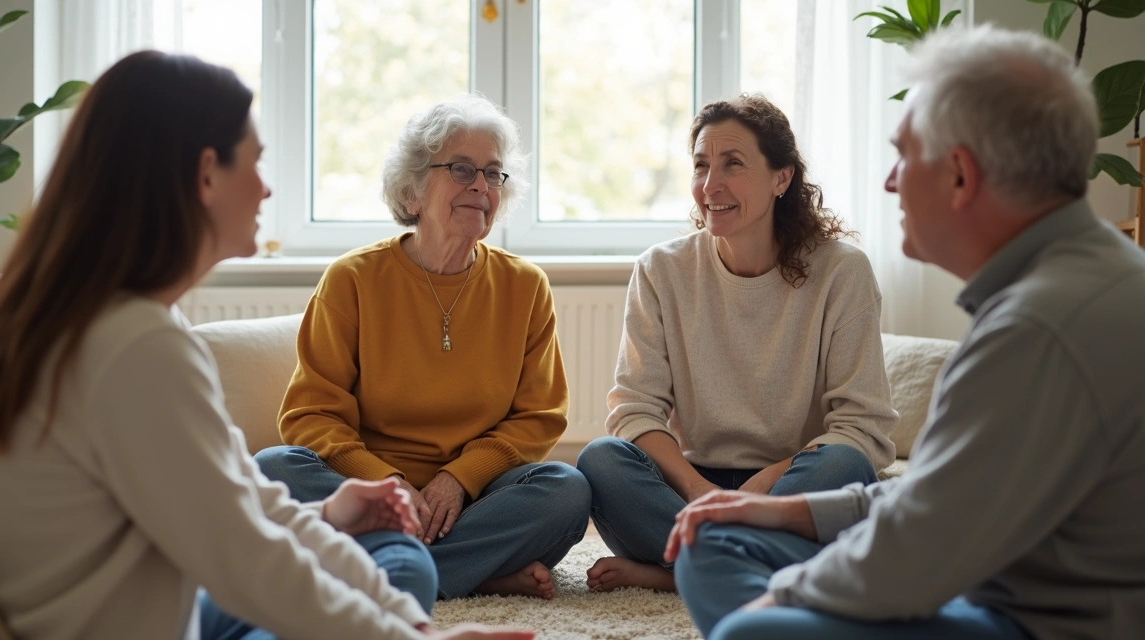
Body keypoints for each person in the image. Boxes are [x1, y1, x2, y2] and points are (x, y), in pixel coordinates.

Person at [0, 51, 531, 640]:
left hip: (133, 596)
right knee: (371, 583)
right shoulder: (133, 347)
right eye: (256, 161)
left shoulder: (95, 318)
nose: (267, 190)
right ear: (206, 174)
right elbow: (246, 559)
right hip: (107, 617)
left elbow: (231, 498)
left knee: (397, 570)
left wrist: (328, 517)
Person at [669, 25, 1145, 640]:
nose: (891, 181)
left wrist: (770, 608)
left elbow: (917, 555)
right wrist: (787, 510)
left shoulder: (1038, 328)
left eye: (903, 155)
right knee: (717, 537)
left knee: (749, 633)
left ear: (959, 175)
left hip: (1032, 620)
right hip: (988, 577)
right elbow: (939, 495)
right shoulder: (1074, 277)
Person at [254, 94, 590, 601]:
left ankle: (390, 572)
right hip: (365, 493)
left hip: (474, 499)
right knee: (274, 468)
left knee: (566, 489)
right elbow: (310, 414)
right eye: (461, 169)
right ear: (412, 192)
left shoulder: (525, 286)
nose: (480, 185)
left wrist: (458, 479)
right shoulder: (352, 280)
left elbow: (539, 416)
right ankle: (471, 576)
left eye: (493, 173)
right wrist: (385, 486)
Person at [574, 94, 898, 593]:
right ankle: (746, 561)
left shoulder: (842, 272)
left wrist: (759, 490)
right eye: (701, 165)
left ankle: (675, 572)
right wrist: (699, 489)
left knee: (847, 466)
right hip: (689, 485)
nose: (710, 185)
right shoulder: (661, 269)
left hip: (793, 479)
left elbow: (863, 427)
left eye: (733, 165)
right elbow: (634, 411)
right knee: (600, 458)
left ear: (781, 178)